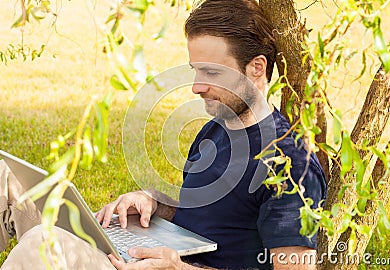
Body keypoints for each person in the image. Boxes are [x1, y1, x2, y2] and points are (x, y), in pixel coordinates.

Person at [0, 0, 327, 269]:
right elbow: (208, 214)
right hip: (149, 258)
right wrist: (155, 203)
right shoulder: (216, 128)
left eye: (211, 72)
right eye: (195, 70)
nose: (197, 87)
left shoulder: (290, 162)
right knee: (6, 179)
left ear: (257, 68)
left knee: (43, 245)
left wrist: (178, 269)